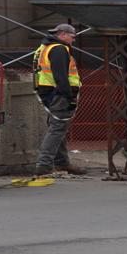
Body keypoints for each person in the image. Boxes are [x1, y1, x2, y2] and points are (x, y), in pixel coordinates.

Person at [33, 23, 87, 178]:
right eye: (72, 36)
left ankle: (62, 162)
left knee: (59, 128)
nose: (74, 39)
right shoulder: (58, 49)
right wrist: (68, 96)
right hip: (59, 93)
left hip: (48, 91)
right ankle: (44, 165)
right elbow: (61, 76)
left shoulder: (44, 47)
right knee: (56, 129)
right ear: (62, 34)